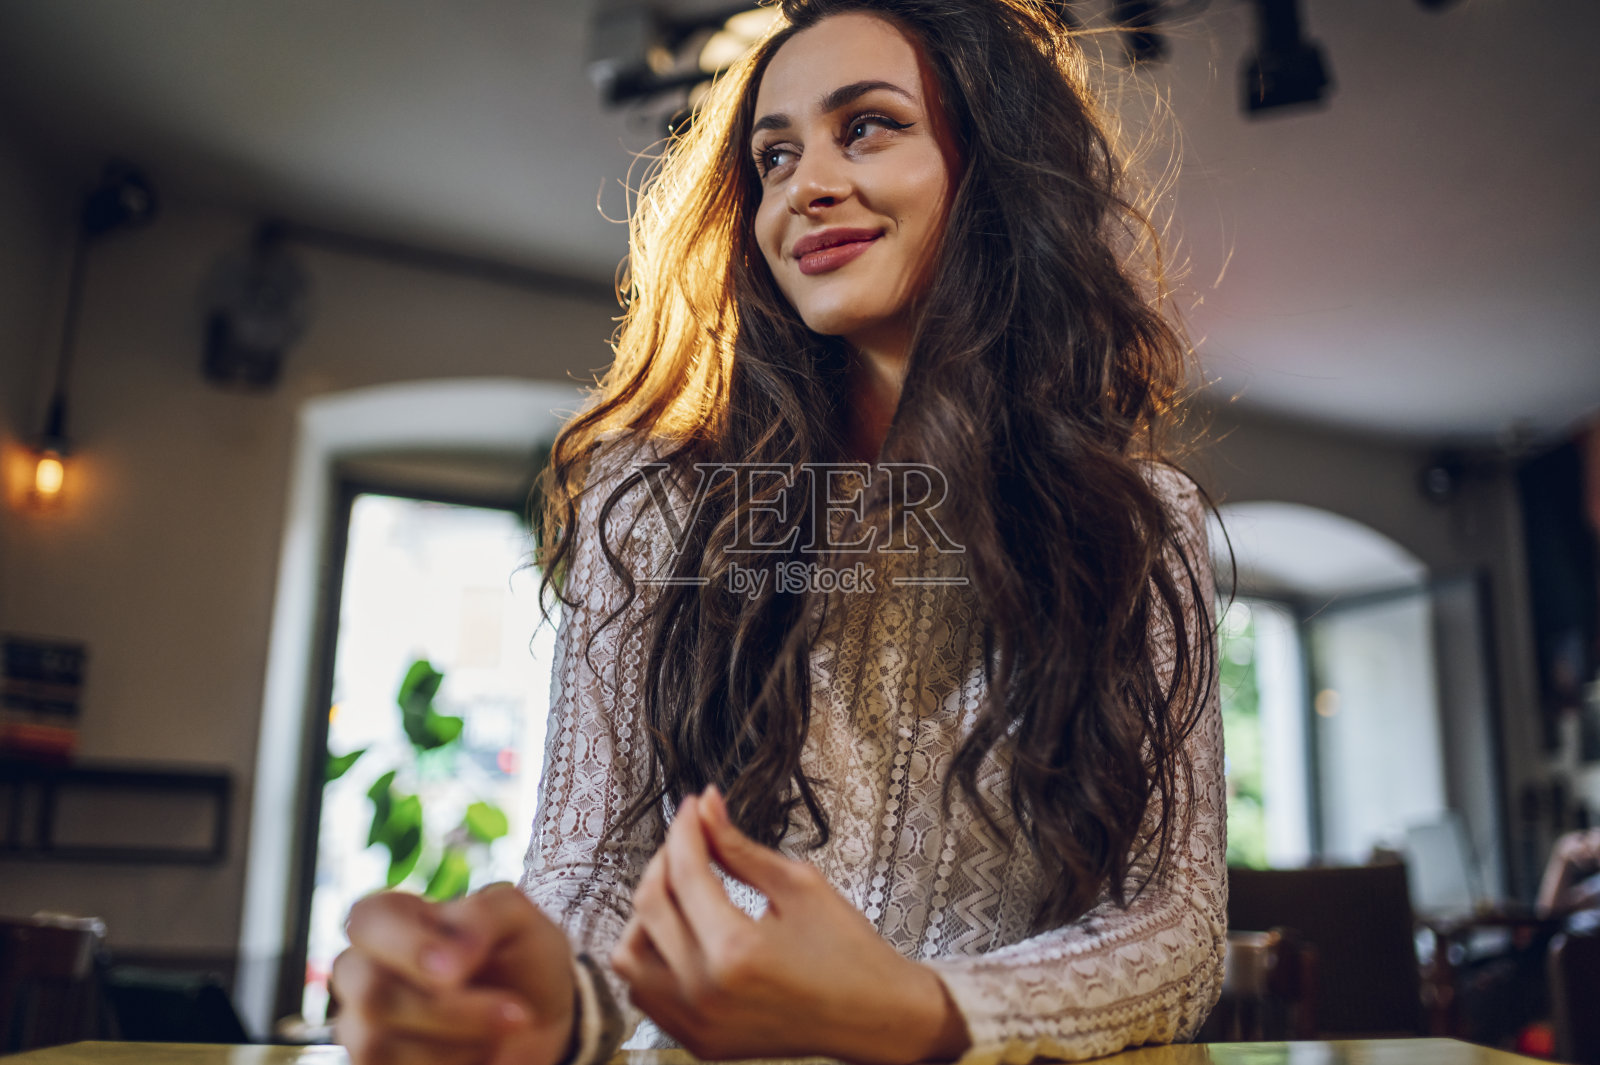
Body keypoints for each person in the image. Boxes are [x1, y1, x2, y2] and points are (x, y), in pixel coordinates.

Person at [329, 2, 1227, 1063]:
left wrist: (917, 1012)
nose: (804, 186)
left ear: (994, 168)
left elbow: (1175, 924)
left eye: (868, 127)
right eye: (775, 156)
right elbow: (589, 869)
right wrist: (550, 1000)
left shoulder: (1137, 525)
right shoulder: (651, 506)